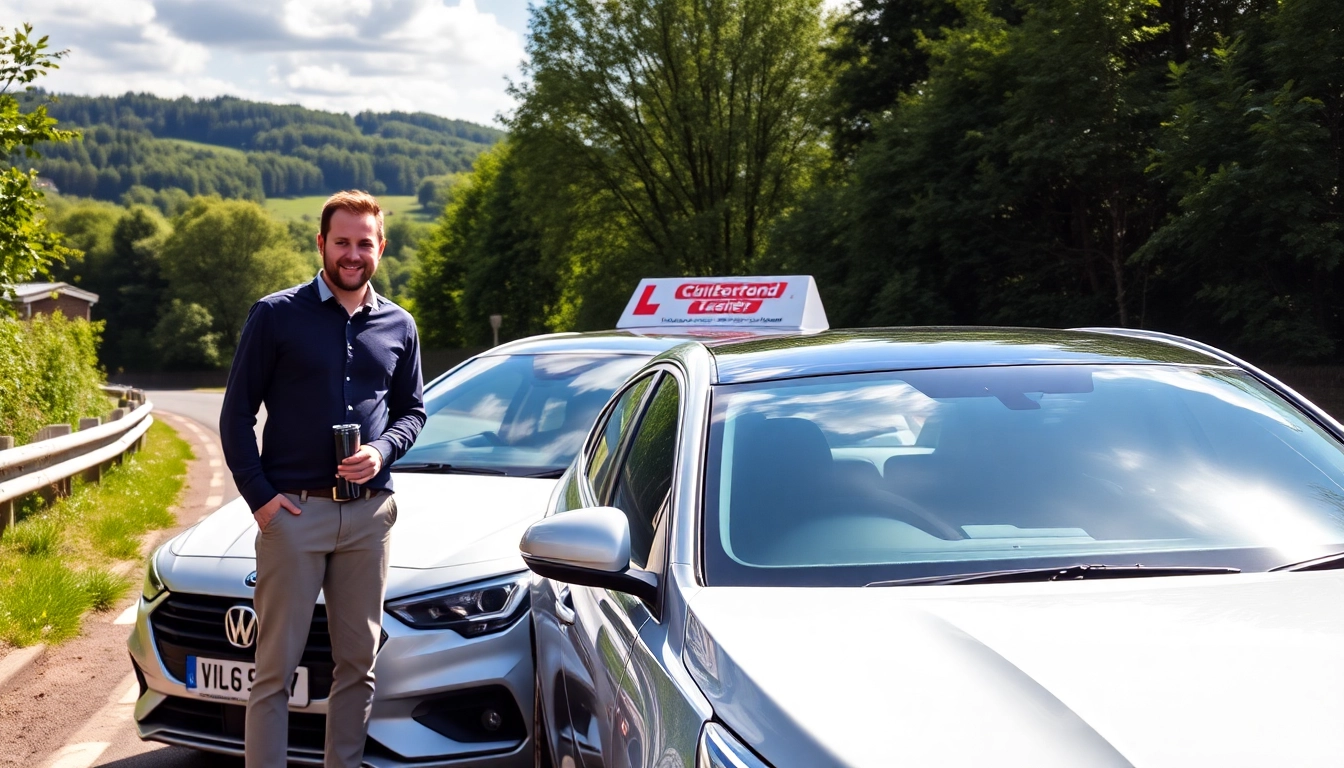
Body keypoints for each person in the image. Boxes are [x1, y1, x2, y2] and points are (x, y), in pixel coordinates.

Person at [220, 190, 426, 768]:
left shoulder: (400, 324)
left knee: (358, 665)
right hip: (293, 514)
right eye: (342, 242)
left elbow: (413, 411)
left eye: (364, 243)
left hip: (368, 517)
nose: (352, 254)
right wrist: (261, 499)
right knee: (274, 671)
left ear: (381, 247)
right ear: (321, 244)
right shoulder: (275, 315)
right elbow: (236, 415)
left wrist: (382, 451)